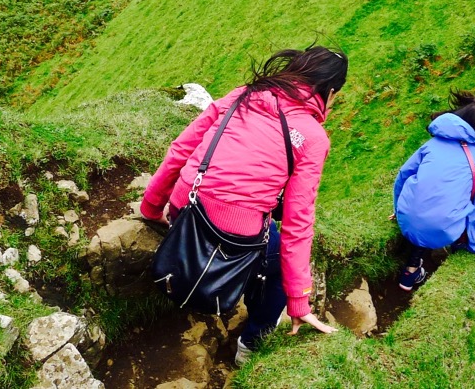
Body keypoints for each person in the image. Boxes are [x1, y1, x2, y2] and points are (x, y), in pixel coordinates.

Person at [140, 46, 348, 360]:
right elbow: (298, 222)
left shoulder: (241, 95)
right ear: (330, 92)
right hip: (237, 232)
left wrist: (152, 207)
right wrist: (298, 301)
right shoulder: (313, 136)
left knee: (265, 241)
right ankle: (251, 343)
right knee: (276, 262)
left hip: (186, 204)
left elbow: (181, 150)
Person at [392, 92, 475, 291]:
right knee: (458, 208)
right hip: (442, 232)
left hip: (406, 220)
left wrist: (398, 208)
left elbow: (403, 176)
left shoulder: (431, 145)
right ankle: (460, 245)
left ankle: (410, 272)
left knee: (428, 211)